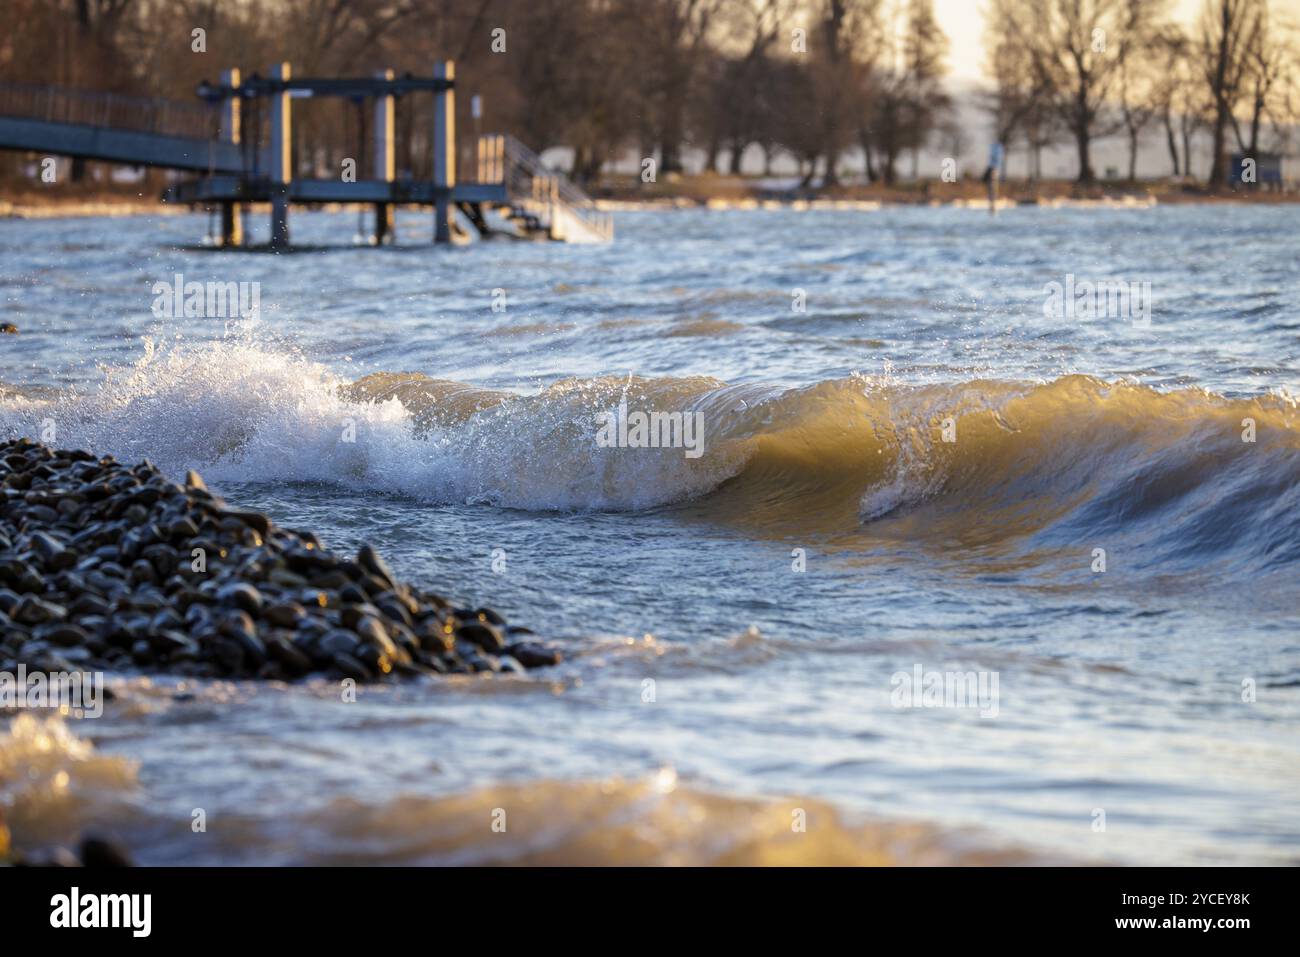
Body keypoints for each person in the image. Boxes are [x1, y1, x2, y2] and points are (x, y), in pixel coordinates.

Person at [981, 141, 1005, 215]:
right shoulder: (997, 150)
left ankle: (992, 206)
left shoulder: (996, 150)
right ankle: (992, 206)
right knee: (992, 191)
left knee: (993, 191)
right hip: (993, 174)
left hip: (993, 172)